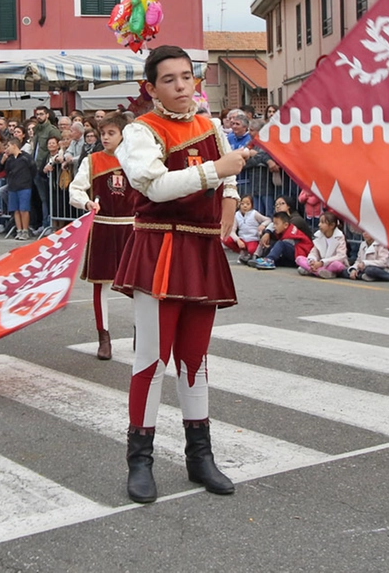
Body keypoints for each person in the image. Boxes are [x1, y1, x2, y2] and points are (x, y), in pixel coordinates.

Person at [113, 44, 252, 503]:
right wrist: (216, 172)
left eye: (187, 77)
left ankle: (200, 457)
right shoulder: (139, 131)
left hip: (200, 246)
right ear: (151, 88)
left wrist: (229, 202)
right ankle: (140, 460)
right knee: (151, 359)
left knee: (196, 357)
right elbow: (152, 185)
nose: (180, 86)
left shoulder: (211, 125)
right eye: (169, 79)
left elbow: (229, 177)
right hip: (159, 247)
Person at [68, 114, 142, 361]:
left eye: (111, 133)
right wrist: (86, 201)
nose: (106, 138)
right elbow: (75, 189)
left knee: (138, 285)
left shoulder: (136, 160)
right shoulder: (92, 160)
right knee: (100, 284)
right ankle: (104, 337)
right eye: (103, 134)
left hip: (132, 228)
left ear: (123, 134)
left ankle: (140, 332)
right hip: (102, 226)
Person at [0, 136, 36, 240]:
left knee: (24, 209)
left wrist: (27, 180)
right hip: (12, 186)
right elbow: (0, 170)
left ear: (14, 146)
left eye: (8, 146)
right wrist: (2, 161)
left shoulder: (26, 157)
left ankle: (25, 230)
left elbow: (33, 169)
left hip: (24, 186)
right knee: (16, 210)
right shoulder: (9, 159)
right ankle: (19, 230)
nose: (7, 149)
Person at [297, 211, 348, 278]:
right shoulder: (318, 235)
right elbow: (314, 252)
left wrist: (322, 263)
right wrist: (312, 261)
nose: (319, 225)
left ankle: (312, 270)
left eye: (323, 223)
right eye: (319, 222)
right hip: (318, 264)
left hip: (329, 263)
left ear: (332, 225)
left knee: (337, 265)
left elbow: (341, 256)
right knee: (299, 259)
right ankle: (320, 271)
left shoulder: (339, 237)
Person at [224, 195, 268, 263]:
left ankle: (250, 254)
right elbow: (232, 231)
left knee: (251, 249)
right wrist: (238, 240)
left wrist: (263, 225)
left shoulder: (254, 213)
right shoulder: (237, 215)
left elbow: (268, 219)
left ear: (252, 205)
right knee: (226, 239)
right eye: (242, 204)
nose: (245, 206)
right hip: (242, 239)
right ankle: (242, 253)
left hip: (252, 239)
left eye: (248, 204)